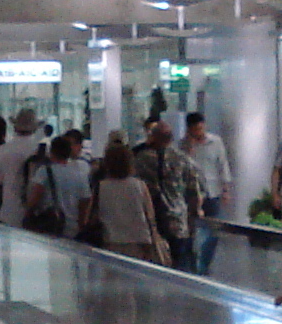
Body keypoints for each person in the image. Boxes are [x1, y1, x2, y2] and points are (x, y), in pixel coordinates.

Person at [139, 117, 203, 268]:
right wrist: (194, 215)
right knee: (178, 262)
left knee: (152, 265)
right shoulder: (183, 159)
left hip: (150, 221)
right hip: (177, 221)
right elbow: (194, 191)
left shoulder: (141, 159)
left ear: (152, 138)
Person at [87, 135, 163, 260]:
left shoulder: (101, 187)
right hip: (139, 243)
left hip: (110, 242)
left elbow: (90, 218)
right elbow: (150, 216)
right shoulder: (140, 185)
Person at [180, 112, 233, 274]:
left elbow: (222, 165)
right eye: (196, 129)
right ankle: (191, 262)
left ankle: (204, 262)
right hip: (191, 194)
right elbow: (181, 166)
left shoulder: (215, 142)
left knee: (214, 231)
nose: (199, 132)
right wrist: (189, 148)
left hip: (212, 192)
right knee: (191, 230)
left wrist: (226, 189)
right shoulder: (183, 145)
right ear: (189, 130)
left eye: (201, 128)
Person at [0, 111, 44, 224]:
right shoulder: (43, 150)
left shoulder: (3, 150)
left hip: (10, 213)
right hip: (37, 216)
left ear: (15, 128)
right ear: (35, 129)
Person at [32, 130, 91, 238]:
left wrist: (29, 214)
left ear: (52, 152)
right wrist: (82, 224)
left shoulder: (44, 171)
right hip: (73, 228)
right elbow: (85, 201)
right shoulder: (80, 173)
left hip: (50, 225)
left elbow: (35, 196)